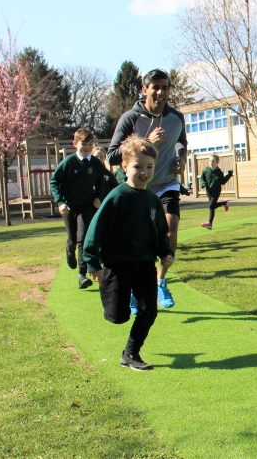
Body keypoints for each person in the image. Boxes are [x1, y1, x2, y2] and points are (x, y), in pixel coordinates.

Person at [83, 135, 174, 371]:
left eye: (149, 167)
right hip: (117, 265)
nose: (144, 172)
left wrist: (165, 252)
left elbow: (160, 232)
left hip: (144, 264)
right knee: (118, 316)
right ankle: (109, 296)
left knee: (149, 311)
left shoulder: (153, 200)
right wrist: (92, 263)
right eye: (138, 166)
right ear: (124, 166)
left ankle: (131, 353)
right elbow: (95, 230)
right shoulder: (118, 196)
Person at [107, 68, 186, 310]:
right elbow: (112, 156)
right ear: (144, 90)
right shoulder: (130, 118)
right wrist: (146, 142)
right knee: (137, 240)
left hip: (167, 183)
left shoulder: (176, 117)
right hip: (139, 188)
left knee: (170, 232)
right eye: (156, 87)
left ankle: (161, 281)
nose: (161, 92)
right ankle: (134, 289)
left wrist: (181, 158)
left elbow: (181, 141)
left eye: (165, 87)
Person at [49, 128, 105, 289]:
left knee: (83, 239)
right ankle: (69, 250)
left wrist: (98, 197)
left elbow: (101, 181)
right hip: (69, 206)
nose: (87, 147)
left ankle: (82, 275)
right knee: (73, 239)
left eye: (90, 144)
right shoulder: (69, 162)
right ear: (75, 144)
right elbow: (54, 182)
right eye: (84, 144)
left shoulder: (95, 163)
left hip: (87, 205)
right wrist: (61, 202)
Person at [199, 154, 232, 229]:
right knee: (213, 206)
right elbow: (202, 179)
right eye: (210, 161)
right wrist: (203, 184)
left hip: (216, 192)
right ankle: (224, 203)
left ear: (217, 162)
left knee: (211, 206)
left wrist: (229, 175)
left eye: (213, 161)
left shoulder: (219, 172)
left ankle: (209, 223)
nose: (211, 162)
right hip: (209, 192)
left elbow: (223, 181)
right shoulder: (205, 171)